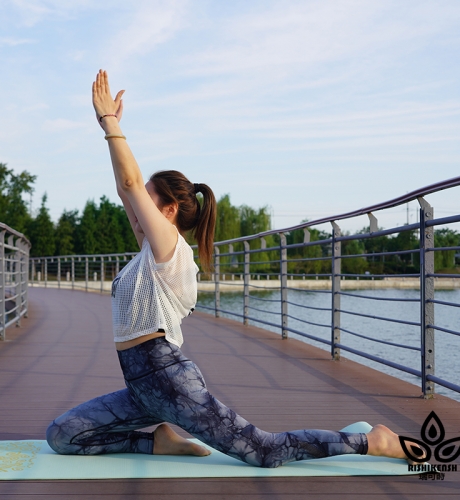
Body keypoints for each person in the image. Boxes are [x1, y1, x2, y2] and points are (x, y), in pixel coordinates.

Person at [46, 70, 420, 468]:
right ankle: (159, 441)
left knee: (264, 450)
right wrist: (112, 139)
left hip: (171, 384)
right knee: (63, 435)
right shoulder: (146, 251)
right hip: (140, 388)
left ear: (168, 210)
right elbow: (127, 188)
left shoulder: (169, 249)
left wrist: (111, 125)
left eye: (147, 202)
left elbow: (131, 181)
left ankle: (372, 441)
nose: (136, 210)